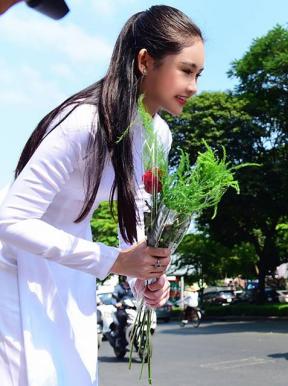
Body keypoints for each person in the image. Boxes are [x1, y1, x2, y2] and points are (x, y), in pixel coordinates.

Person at [0, 5, 205, 385]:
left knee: (74, 373)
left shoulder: (160, 135)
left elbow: (137, 212)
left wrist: (144, 273)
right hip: (15, 266)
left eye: (198, 74)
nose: (194, 86)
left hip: (75, 266)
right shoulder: (83, 122)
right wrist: (116, 262)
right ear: (145, 61)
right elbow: (10, 221)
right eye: (186, 71)